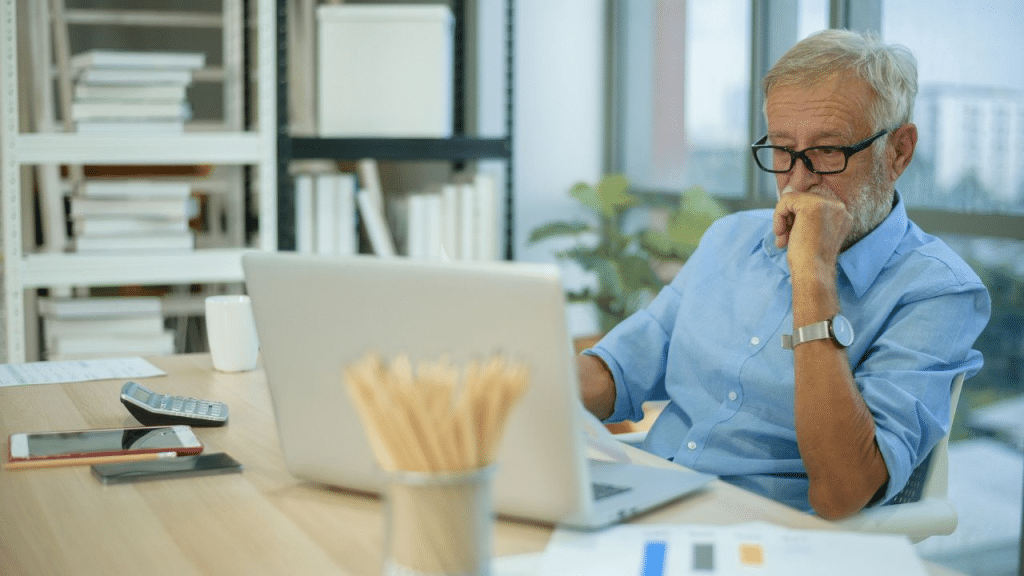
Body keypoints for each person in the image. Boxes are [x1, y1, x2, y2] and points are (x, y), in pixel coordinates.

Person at [578, 29, 991, 520]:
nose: (797, 181)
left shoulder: (938, 291)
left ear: (899, 151)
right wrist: (515, 388)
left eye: (828, 151)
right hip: (650, 499)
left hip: (767, 535)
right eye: (781, 149)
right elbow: (620, 370)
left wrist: (813, 274)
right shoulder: (730, 239)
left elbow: (843, 489)